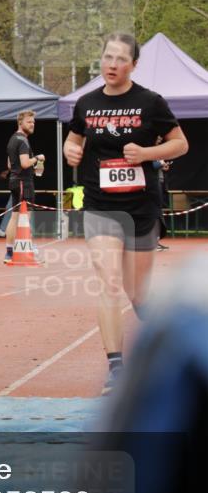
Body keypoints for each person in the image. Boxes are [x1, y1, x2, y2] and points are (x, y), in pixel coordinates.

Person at [63, 32, 188, 395]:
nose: (112, 64)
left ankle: (172, 345)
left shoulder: (151, 102)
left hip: (140, 207)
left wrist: (146, 154)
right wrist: (71, 151)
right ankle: (116, 367)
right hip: (100, 205)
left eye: (121, 59)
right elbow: (73, 139)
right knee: (109, 282)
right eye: (108, 57)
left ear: (133, 65)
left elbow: (180, 144)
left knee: (138, 294)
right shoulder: (86, 104)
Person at [3, 110, 44, 264]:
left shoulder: (13, 139)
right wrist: (38, 158)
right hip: (23, 183)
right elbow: (25, 163)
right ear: (20, 122)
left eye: (33, 122)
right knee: (26, 217)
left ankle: (9, 253)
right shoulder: (23, 141)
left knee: (15, 217)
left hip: (15, 181)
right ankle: (27, 250)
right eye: (29, 122)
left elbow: (9, 164)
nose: (32, 124)